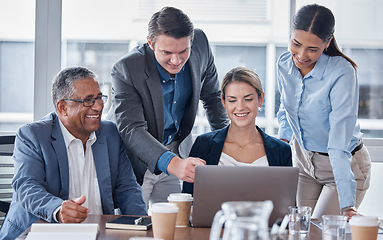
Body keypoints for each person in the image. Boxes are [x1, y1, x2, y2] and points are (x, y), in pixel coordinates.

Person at [0, 67, 147, 240]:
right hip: (39, 233)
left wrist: (143, 225)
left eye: (99, 98)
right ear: (63, 108)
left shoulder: (110, 133)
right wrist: (57, 209)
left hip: (99, 234)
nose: (98, 106)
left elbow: (127, 188)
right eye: (88, 101)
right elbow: (26, 187)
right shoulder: (32, 135)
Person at [108, 6, 229, 208]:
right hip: (136, 160)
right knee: (135, 227)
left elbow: (213, 97)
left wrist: (227, 141)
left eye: (183, 51)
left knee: (178, 223)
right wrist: (174, 164)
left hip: (177, 149)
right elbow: (132, 129)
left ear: (191, 41)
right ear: (150, 43)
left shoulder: (201, 45)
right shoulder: (127, 69)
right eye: (167, 52)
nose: (176, 61)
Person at [276, 4, 371, 219]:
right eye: (296, 43)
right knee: (303, 228)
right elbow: (286, 108)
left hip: (342, 163)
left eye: (313, 49)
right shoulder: (283, 64)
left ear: (327, 43)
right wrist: (282, 145)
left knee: (322, 231)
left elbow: (339, 141)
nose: (301, 55)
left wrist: (348, 204)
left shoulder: (341, 73)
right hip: (304, 162)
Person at [183, 66, 292, 195]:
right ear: (224, 102)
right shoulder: (204, 145)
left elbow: (287, 204)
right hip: (213, 216)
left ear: (260, 99)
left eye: (248, 99)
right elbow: (187, 198)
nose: (240, 107)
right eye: (232, 100)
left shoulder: (281, 150)